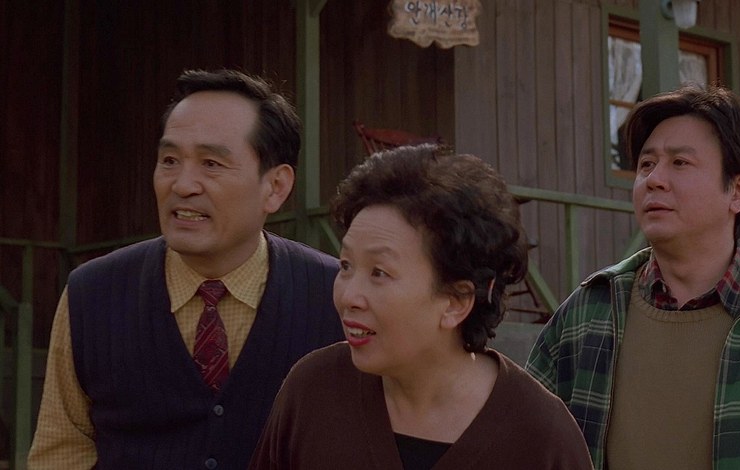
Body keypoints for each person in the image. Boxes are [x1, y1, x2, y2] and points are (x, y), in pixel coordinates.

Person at [27, 69, 345, 469]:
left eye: (211, 163)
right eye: (170, 160)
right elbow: (61, 451)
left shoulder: (336, 296)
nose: (182, 185)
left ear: (276, 187)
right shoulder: (91, 294)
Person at [526, 84, 740, 469]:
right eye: (646, 164)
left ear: (738, 192)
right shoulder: (588, 314)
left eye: (680, 163)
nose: (654, 179)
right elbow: (526, 446)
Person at [248, 145, 593, 469]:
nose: (349, 295)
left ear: (456, 301)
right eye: (346, 266)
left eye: (379, 273)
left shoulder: (540, 435)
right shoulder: (313, 391)